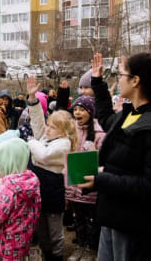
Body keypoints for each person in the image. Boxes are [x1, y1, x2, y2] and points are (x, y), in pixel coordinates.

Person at [78, 53, 151, 260]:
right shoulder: (129, 114)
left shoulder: (147, 125)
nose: (118, 79)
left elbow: (147, 185)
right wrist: (97, 82)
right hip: (111, 215)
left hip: (132, 224)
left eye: (121, 74)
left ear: (135, 81)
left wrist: (102, 179)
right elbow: (106, 117)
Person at [26, 76, 78, 261]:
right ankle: (45, 251)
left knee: (55, 229)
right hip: (39, 191)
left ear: (63, 131)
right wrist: (32, 99)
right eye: (49, 125)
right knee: (40, 226)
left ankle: (56, 256)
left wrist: (31, 143)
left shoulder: (64, 143)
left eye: (53, 128)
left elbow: (44, 156)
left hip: (53, 192)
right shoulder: (46, 137)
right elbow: (38, 122)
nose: (47, 130)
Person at [65, 96, 105, 261]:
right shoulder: (71, 130)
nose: (77, 112)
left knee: (92, 221)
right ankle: (80, 247)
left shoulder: (100, 133)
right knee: (79, 220)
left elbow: (104, 160)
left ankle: (90, 250)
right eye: (75, 109)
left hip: (90, 187)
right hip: (74, 186)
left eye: (82, 109)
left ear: (90, 111)